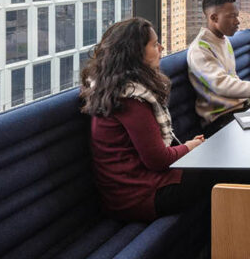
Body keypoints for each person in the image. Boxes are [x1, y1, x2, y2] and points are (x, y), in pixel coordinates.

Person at [81, 17, 207, 221]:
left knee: (216, 169)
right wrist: (191, 147)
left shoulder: (114, 90)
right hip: (139, 196)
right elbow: (158, 160)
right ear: (135, 52)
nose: (161, 47)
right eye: (154, 44)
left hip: (134, 189)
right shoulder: (130, 99)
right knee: (222, 174)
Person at [187, 0, 250, 135]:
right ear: (214, 18)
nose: (237, 21)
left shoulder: (223, 40)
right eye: (232, 16)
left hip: (239, 110)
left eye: (237, 15)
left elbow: (232, 77)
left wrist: (248, 100)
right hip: (220, 121)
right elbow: (223, 85)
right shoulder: (200, 49)